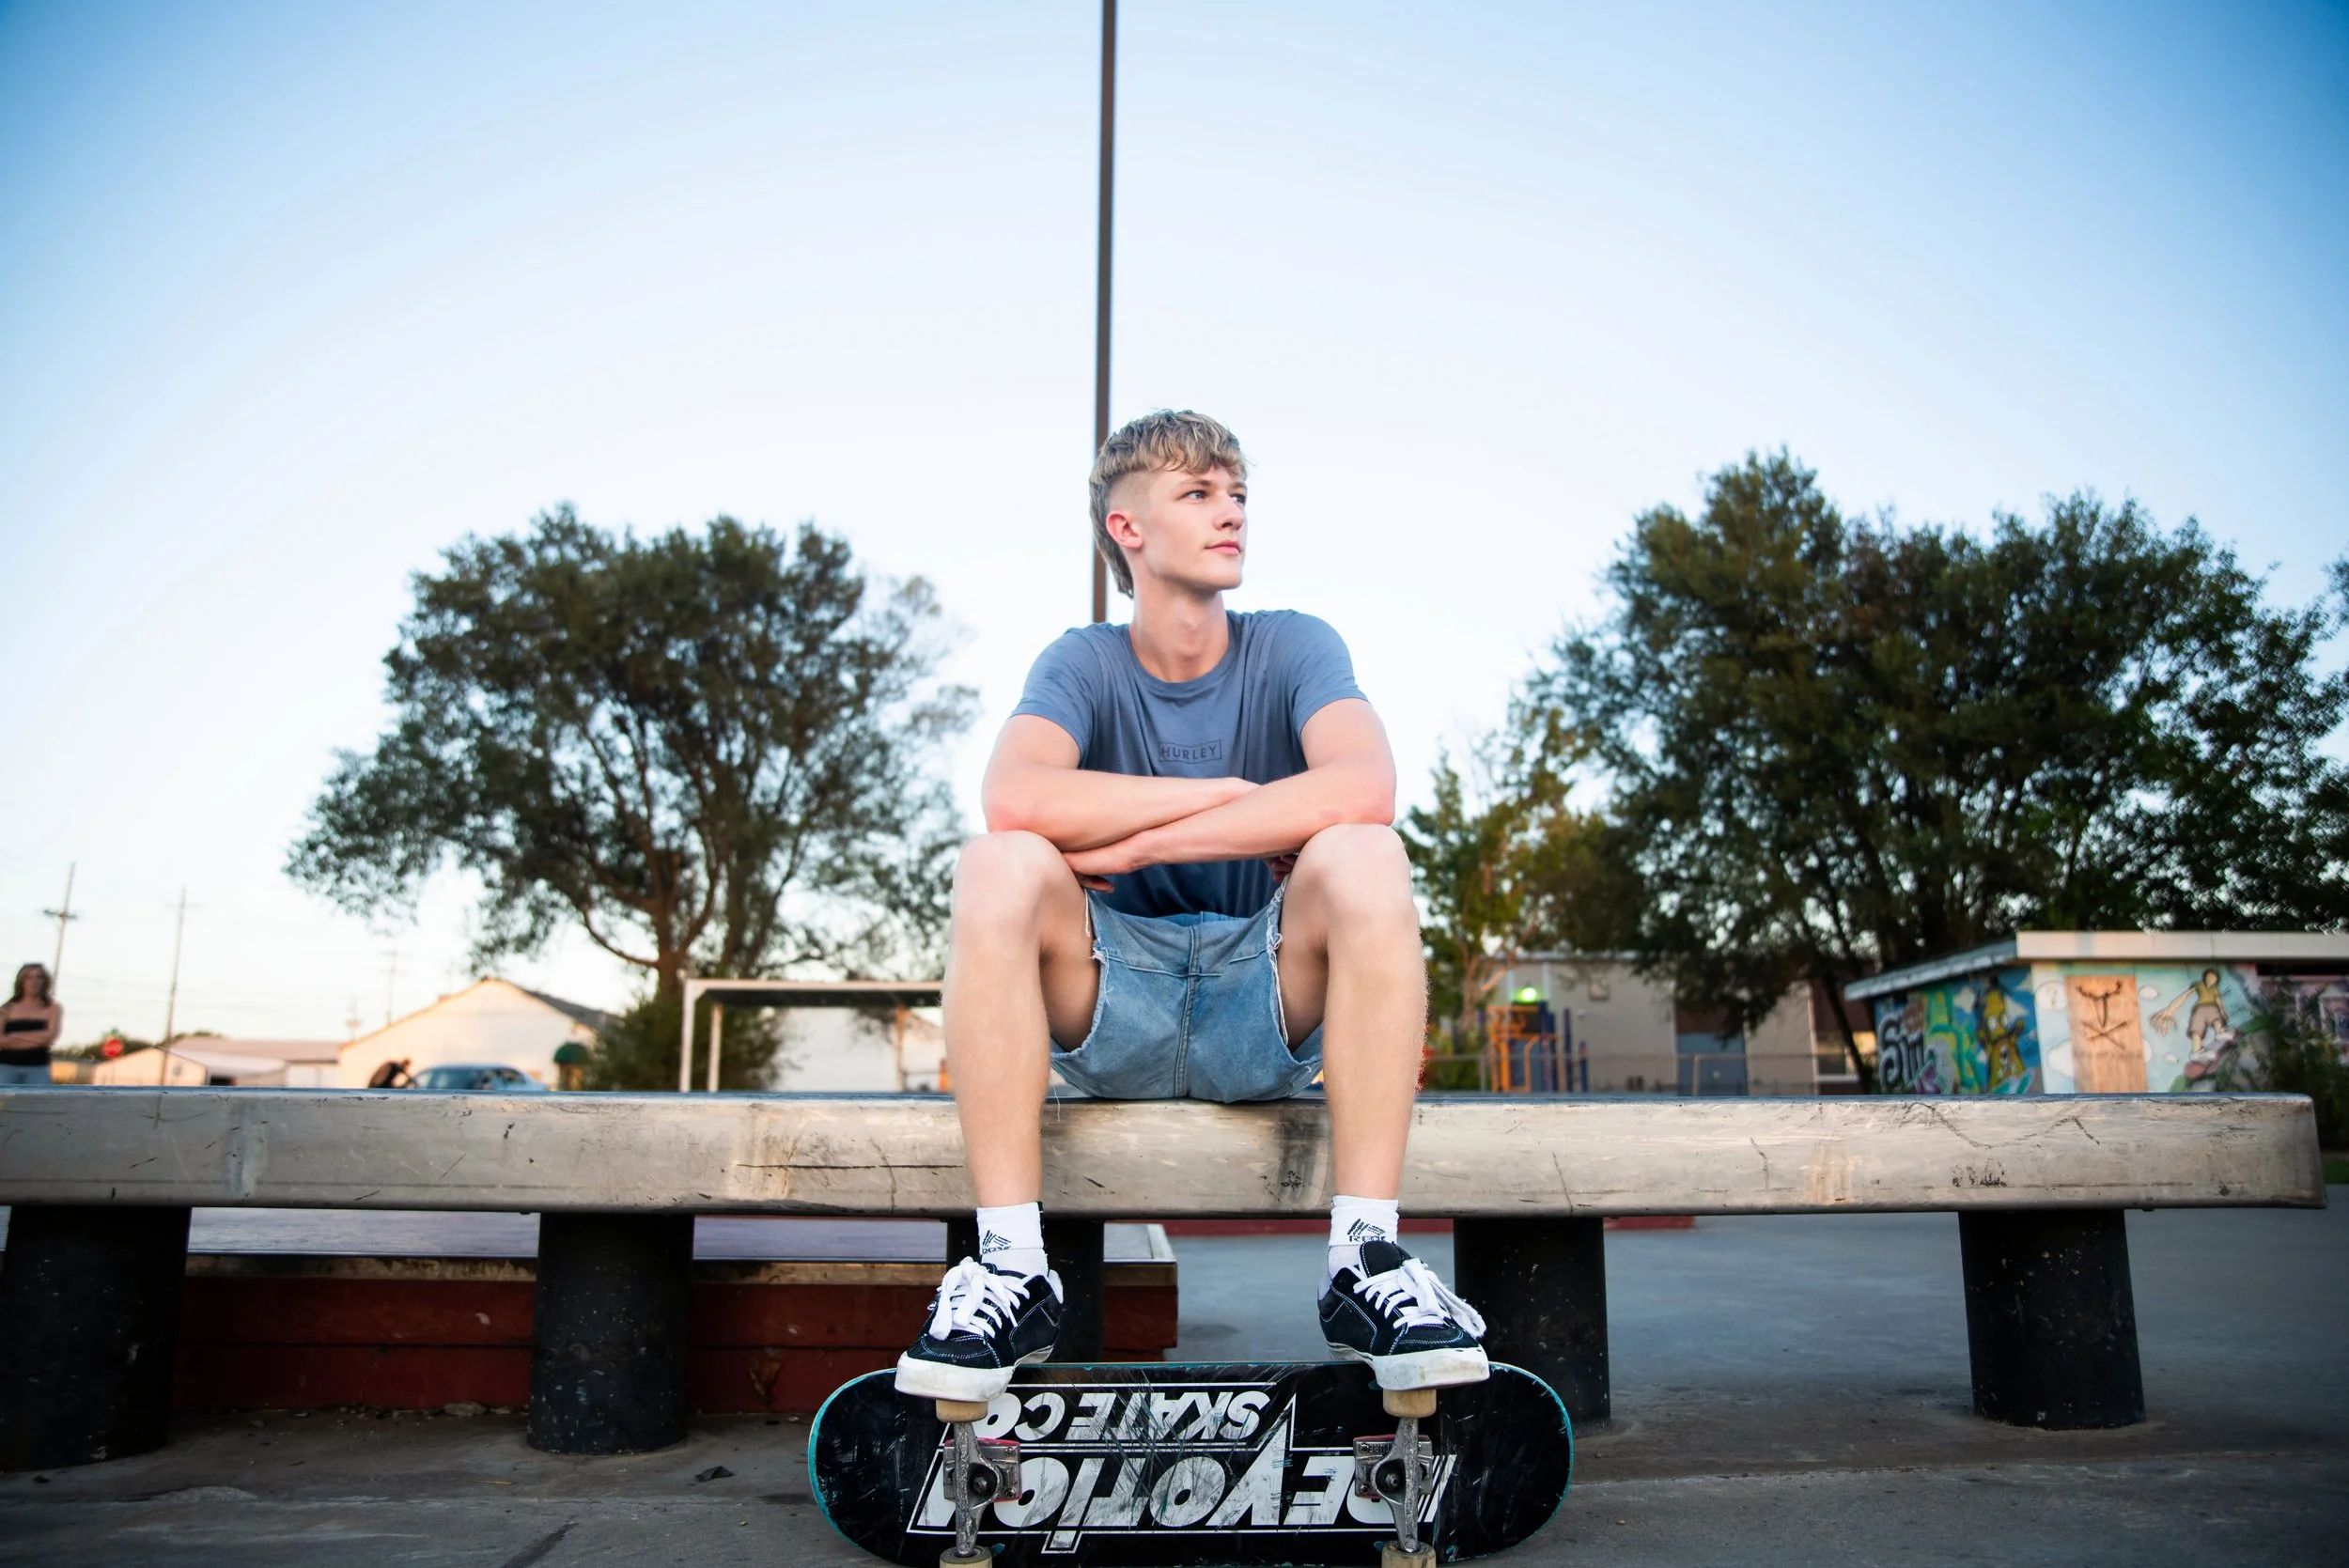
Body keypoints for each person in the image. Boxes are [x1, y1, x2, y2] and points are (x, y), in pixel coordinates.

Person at [895, 410, 1486, 1405]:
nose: (1232, 515)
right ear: (1127, 529)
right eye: (1199, 493)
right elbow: (1017, 798)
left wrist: (1135, 840)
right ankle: (1010, 1264)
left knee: (1365, 854)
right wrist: (1244, 806)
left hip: (1262, 997)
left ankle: (1365, 1258)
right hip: (1110, 998)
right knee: (998, 864)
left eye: (1239, 495)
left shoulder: (1294, 644)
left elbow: (1365, 783)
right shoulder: (1082, 662)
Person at [0, 964, 63, 1087]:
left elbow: (50, 1036)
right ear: (21, 981)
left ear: (45, 981)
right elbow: (1, 1040)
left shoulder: (53, 1008)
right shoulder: (7, 1009)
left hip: (37, 1068)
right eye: (29, 977)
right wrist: (37, 1038)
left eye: (38, 977)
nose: (34, 982)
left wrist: (14, 1037)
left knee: (38, 1104)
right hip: (6, 1067)